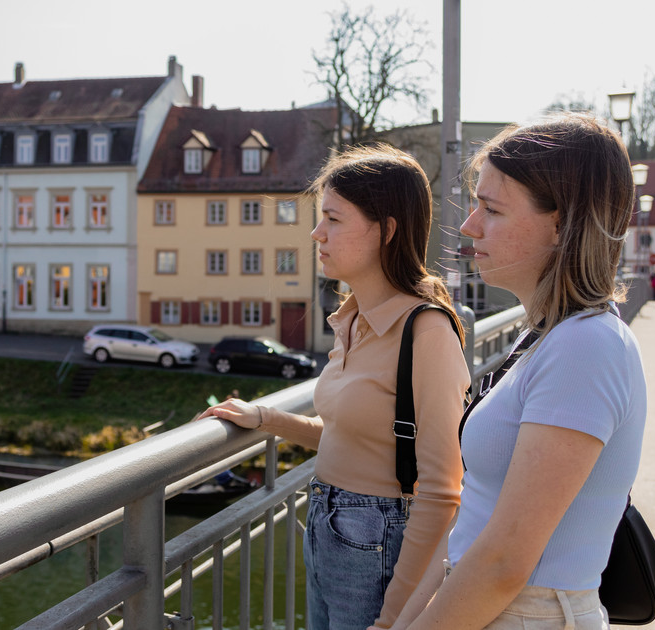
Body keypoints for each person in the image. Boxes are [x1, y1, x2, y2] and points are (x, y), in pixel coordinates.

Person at [387, 112, 647, 630]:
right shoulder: (550, 337)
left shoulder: (586, 348)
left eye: (491, 208)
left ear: (560, 223)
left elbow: (505, 563)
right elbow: (474, 529)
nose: (468, 225)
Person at [201, 145, 471, 629]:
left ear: (387, 230)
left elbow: (442, 489)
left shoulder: (425, 332)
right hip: (329, 524)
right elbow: (346, 435)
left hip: (377, 540)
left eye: (333, 219)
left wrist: (393, 618)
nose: (316, 233)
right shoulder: (354, 321)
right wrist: (263, 418)